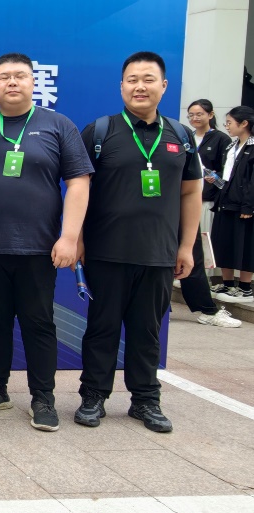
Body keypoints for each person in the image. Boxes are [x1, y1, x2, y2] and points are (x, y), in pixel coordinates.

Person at [75, 52, 202, 433]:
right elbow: (79, 189)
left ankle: (145, 400)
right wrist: (77, 238)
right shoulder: (100, 132)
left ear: (164, 85)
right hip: (106, 252)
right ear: (121, 87)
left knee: (147, 331)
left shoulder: (180, 136)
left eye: (148, 79)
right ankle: (93, 395)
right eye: (132, 80)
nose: (140, 87)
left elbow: (191, 193)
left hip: (159, 253)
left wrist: (186, 247)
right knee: (102, 328)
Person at [0, 53, 91, 432]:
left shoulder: (58, 125)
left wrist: (69, 236)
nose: (11, 82)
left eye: (19, 76)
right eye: (3, 76)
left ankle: (43, 397)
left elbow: (79, 183)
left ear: (33, 82)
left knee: (38, 324)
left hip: (39, 248)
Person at [177, 99, 239, 326]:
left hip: (206, 201)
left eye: (199, 114)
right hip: (176, 202)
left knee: (196, 253)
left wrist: (217, 184)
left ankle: (207, 309)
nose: (195, 118)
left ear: (211, 114)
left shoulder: (221, 139)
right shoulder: (186, 136)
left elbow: (227, 175)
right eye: (191, 114)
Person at [211, 106, 254, 304]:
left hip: (244, 205)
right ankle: (227, 283)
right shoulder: (231, 146)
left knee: (245, 245)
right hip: (225, 201)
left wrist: (248, 206)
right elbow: (228, 177)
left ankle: (245, 287)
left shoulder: (252, 148)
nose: (226, 126)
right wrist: (216, 180)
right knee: (223, 242)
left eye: (229, 122)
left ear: (244, 123)